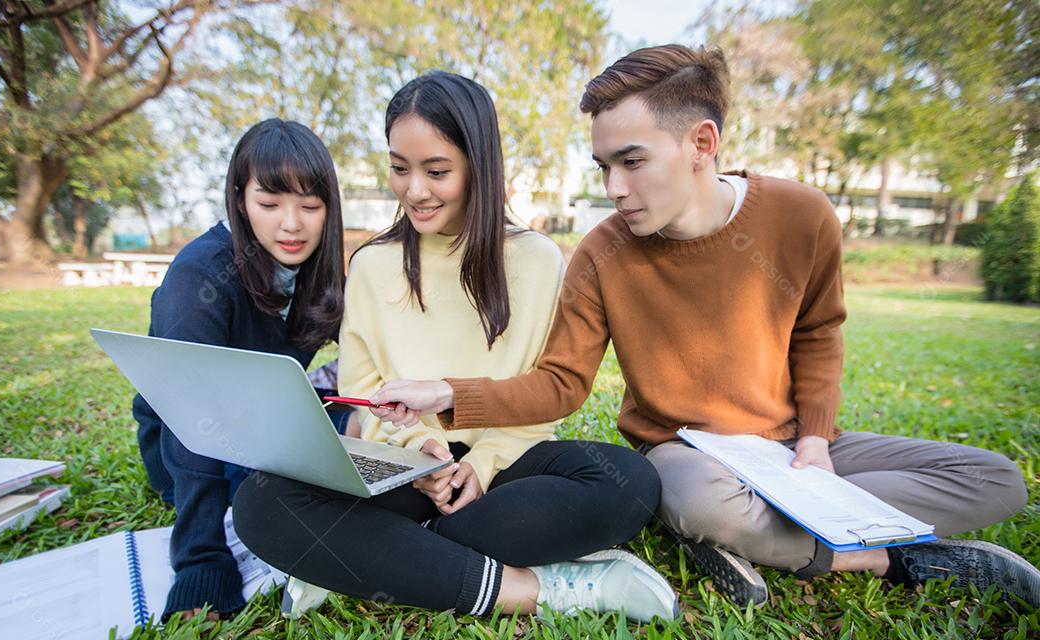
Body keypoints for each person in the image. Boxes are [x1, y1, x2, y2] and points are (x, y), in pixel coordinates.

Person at [368, 46, 1039, 609]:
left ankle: (761, 536)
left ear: (702, 143)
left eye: (631, 161)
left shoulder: (804, 215)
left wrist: (813, 443)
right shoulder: (602, 252)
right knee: (696, 498)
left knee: (997, 480)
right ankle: (888, 560)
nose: (613, 186)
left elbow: (819, 334)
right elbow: (561, 384)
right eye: (604, 166)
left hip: (788, 448)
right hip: (688, 457)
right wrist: (450, 395)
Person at [232, 71, 678, 623]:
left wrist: (483, 465)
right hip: (404, 466)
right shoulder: (371, 265)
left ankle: (378, 554)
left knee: (629, 482)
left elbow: (540, 391)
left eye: (436, 171)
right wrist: (422, 453)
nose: (414, 190)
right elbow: (362, 391)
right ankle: (532, 590)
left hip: (507, 467)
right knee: (261, 501)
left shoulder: (537, 260)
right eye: (399, 168)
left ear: (478, 166)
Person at [133, 119, 348, 619]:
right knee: (282, 499)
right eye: (269, 204)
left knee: (365, 437)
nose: (291, 224)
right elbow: (186, 418)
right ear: (238, 197)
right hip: (190, 443)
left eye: (310, 206)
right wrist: (200, 561)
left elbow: (372, 351)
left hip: (267, 424)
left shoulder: (319, 271)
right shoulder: (197, 278)